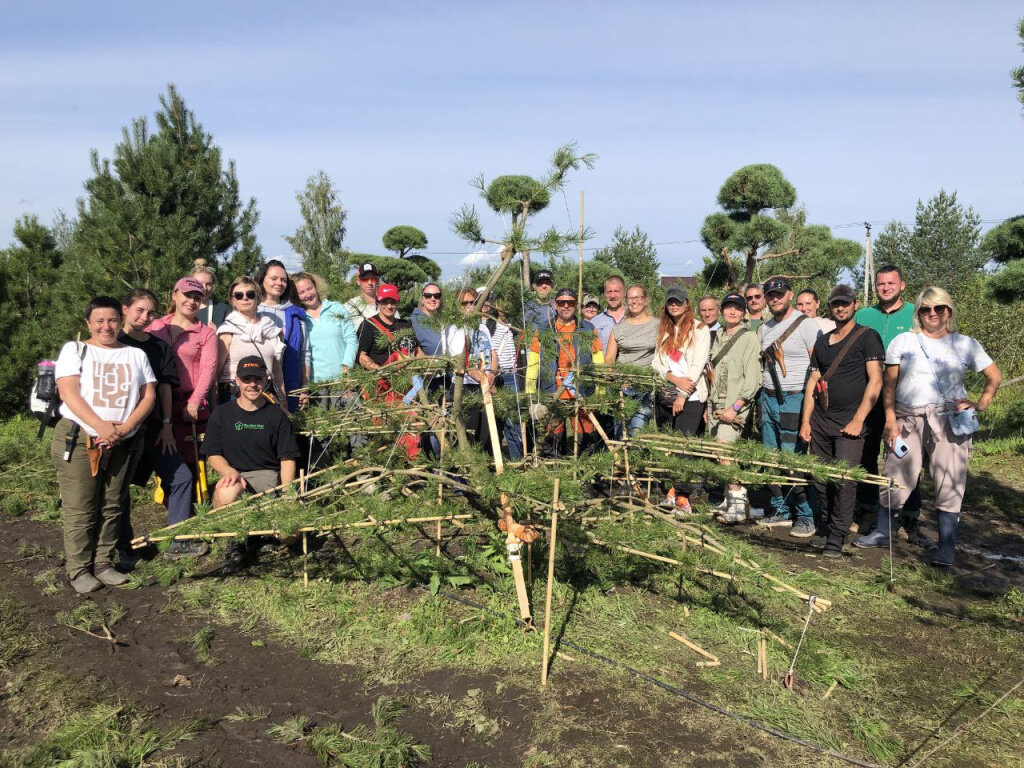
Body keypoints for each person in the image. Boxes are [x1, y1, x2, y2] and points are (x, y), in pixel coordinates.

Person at [863, 287, 1001, 566]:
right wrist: (890, 419)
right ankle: (883, 531)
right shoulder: (904, 341)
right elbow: (889, 384)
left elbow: (993, 376)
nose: (932, 314)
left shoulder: (965, 344)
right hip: (907, 419)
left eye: (939, 308)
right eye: (925, 309)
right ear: (918, 313)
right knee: (896, 472)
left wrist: (980, 404)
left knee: (949, 479)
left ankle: (946, 546)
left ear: (949, 311)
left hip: (948, 421)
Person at [51, 296, 156, 593]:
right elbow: (69, 393)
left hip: (123, 440)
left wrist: (126, 428)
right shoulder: (76, 350)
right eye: (99, 320)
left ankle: (103, 563)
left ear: (120, 321)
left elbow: (148, 395)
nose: (106, 326)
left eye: (111, 320)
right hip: (80, 437)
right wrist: (100, 427)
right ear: (88, 323)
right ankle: (78, 568)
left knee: (113, 504)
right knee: (81, 506)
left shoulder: (135, 355)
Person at [798, 285, 884, 558]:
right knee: (821, 478)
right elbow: (813, 381)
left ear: (855, 305)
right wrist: (806, 421)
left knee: (845, 480)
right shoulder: (823, 341)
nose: (840, 308)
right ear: (830, 307)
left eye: (845, 303)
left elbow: (876, 381)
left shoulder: (868, 337)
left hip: (850, 422)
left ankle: (838, 534)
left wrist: (859, 419)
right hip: (822, 419)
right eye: (836, 303)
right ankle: (826, 525)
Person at [117, 289, 201, 563]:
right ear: (125, 309)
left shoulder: (158, 347)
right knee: (119, 489)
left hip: (154, 429)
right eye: (139, 310)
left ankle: (178, 539)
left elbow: (165, 387)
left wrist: (166, 424)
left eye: (150, 312)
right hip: (120, 430)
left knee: (181, 478)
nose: (144, 317)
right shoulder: (113, 343)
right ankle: (123, 545)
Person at [201, 355, 301, 574]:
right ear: (237, 380)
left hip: (270, 483)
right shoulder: (222, 414)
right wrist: (228, 471)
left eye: (257, 379)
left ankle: (264, 535)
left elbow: (287, 458)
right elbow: (212, 453)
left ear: (265, 380)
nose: (252, 384)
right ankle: (236, 542)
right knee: (227, 493)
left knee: (290, 533)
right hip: (237, 481)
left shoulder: (277, 415)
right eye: (247, 379)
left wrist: (288, 493)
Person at [853, 265, 921, 546]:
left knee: (905, 457)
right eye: (880, 284)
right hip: (870, 396)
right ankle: (868, 512)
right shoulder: (864, 315)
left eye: (891, 283)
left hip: (905, 398)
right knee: (867, 455)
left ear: (902, 285)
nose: (885, 288)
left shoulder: (916, 315)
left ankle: (909, 516)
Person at [754, 276, 822, 538]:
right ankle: (780, 508)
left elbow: (818, 367)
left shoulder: (807, 326)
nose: (775, 299)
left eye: (779, 294)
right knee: (771, 458)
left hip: (794, 397)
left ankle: (806, 515)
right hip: (768, 397)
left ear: (789, 295)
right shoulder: (764, 328)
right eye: (770, 295)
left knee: (792, 459)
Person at [148, 277, 219, 482]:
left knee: (190, 463)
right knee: (163, 462)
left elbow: (208, 370)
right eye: (187, 295)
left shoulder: (205, 333)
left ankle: (194, 508)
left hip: (187, 406)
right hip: (154, 404)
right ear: (175, 295)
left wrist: (195, 402)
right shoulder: (155, 327)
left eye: (197, 297)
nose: (192, 301)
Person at [525, 288, 605, 457]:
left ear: (576, 306)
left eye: (570, 302)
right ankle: (554, 474)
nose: (566, 306)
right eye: (562, 302)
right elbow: (533, 362)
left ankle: (585, 476)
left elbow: (598, 361)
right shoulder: (544, 330)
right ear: (555, 305)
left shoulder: (588, 329)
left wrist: (600, 392)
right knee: (552, 437)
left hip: (582, 391)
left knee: (586, 435)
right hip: (552, 392)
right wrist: (530, 391)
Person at [705, 293, 761, 523]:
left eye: (737, 308)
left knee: (725, 452)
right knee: (720, 454)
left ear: (743, 312)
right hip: (716, 403)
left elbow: (753, 378)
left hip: (735, 405)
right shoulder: (718, 335)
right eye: (728, 307)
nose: (732, 312)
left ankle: (737, 507)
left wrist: (736, 407)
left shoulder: (749, 338)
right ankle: (731, 499)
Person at [356, 284, 423, 458]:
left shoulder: (405, 326)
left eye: (392, 302)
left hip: (405, 389)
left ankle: (410, 469)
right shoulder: (369, 325)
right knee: (385, 432)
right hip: (381, 388)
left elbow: (417, 352)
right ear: (378, 302)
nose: (389, 306)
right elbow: (362, 356)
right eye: (385, 301)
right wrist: (379, 370)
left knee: (410, 429)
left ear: (397, 302)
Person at [216, 276, 287, 413]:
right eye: (238, 295)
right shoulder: (227, 331)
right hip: (234, 394)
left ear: (258, 298)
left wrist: (284, 404)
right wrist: (214, 405)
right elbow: (216, 372)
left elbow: (277, 373)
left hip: (265, 394)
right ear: (233, 300)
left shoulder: (271, 330)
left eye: (250, 294)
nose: (245, 298)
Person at [444, 288, 498, 449]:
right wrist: (482, 378)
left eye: (473, 302)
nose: (469, 306)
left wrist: (492, 375)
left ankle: (485, 470)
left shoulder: (482, 327)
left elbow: (493, 353)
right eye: (464, 303)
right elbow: (459, 361)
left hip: (483, 385)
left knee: (485, 433)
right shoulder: (453, 328)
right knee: (467, 433)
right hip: (465, 386)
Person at [652, 286, 711, 436]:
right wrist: (672, 377)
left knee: (682, 446)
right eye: (670, 302)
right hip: (666, 394)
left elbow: (697, 366)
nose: (674, 305)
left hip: (691, 396)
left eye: (678, 302)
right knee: (667, 443)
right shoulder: (664, 330)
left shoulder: (700, 329)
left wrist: (682, 396)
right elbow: (656, 363)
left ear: (686, 304)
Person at [294, 271, 358, 407]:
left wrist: (346, 369)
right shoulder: (299, 318)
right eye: (301, 292)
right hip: (316, 385)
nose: (307, 294)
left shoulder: (336, 308)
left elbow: (351, 339)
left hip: (342, 381)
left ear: (316, 287)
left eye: (309, 288)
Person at [256, 259, 309, 412]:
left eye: (283, 280)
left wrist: (304, 388)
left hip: (290, 382)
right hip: (257, 383)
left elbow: (304, 352)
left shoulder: (295, 313)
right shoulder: (251, 310)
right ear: (262, 279)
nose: (279, 283)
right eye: (274, 278)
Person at [605, 284, 658, 436]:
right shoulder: (619, 328)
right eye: (630, 298)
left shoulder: (657, 325)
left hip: (644, 388)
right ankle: (620, 460)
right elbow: (609, 358)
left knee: (637, 431)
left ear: (646, 300)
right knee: (620, 431)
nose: (634, 302)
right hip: (622, 388)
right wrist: (616, 380)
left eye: (638, 298)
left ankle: (635, 459)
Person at [483, 296, 525, 460]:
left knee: (511, 422)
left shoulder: (504, 326)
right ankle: (492, 461)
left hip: (506, 375)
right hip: (485, 377)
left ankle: (516, 461)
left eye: (488, 300)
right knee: (489, 424)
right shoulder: (473, 326)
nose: (485, 304)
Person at [345, 262, 393, 332]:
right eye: (365, 279)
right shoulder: (350, 306)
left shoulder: (388, 306)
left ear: (378, 281)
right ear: (358, 281)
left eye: (373, 279)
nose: (370, 283)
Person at [590, 275, 627, 354]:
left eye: (616, 291)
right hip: (604, 366)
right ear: (604, 294)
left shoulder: (634, 317)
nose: (612, 296)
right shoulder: (594, 322)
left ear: (624, 293)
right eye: (609, 292)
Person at [191, 258, 230, 329]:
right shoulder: (183, 310)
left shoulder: (223, 310)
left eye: (208, 284)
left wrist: (216, 335)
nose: (204, 288)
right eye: (199, 283)